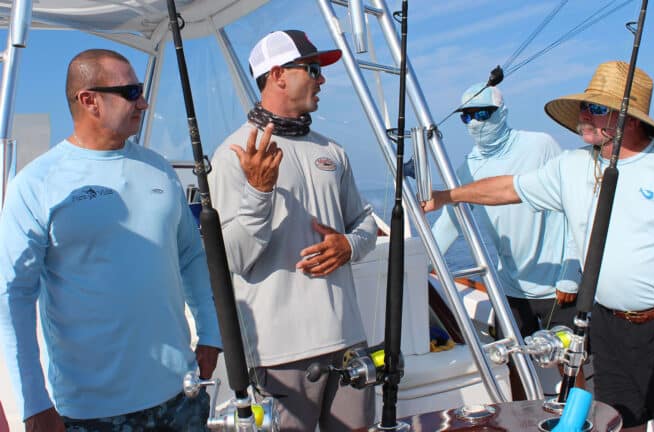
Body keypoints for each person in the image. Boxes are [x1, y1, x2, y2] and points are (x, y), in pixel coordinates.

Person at [422, 61, 654, 431]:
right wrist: (448, 195)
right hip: (608, 326)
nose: (585, 115)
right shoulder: (569, 166)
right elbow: (509, 188)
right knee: (619, 422)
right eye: (585, 107)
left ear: (630, 119)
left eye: (597, 109)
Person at [0, 49, 222, 432]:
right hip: (92, 412)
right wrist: (34, 402)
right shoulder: (36, 184)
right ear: (90, 101)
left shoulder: (158, 168)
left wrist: (211, 332)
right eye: (132, 91)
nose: (144, 101)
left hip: (181, 396)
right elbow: (13, 296)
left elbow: (189, 256)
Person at [208, 30, 377, 431]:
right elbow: (235, 257)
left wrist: (350, 246)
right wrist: (258, 192)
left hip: (348, 343)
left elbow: (366, 222)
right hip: (279, 357)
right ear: (279, 74)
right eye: (314, 69)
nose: (322, 80)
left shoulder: (332, 152)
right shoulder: (233, 156)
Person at [432, 83, 582, 395]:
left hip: (558, 285)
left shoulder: (541, 145)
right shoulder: (468, 168)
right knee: (514, 362)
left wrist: (572, 271)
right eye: (467, 117)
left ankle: (581, 424)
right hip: (511, 287)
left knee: (570, 363)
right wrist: (415, 260)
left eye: (482, 114)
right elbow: (449, 224)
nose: (475, 123)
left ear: (502, 113)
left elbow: (576, 207)